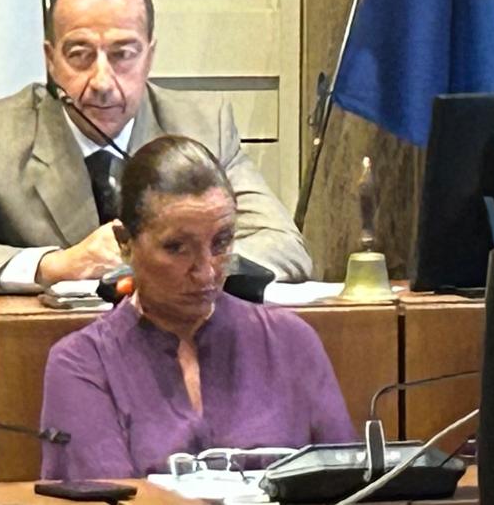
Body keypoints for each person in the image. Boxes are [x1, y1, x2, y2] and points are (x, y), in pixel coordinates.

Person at [0, 0, 311, 293]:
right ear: (50, 60)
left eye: (123, 54)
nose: (101, 81)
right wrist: (57, 265)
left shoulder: (203, 127)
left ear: (149, 56)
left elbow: (283, 244)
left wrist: (174, 265)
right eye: (80, 55)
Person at [39, 135, 353, 479]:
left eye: (221, 243)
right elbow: (107, 497)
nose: (206, 272)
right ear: (125, 244)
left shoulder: (290, 343)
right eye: (177, 248)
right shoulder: (83, 364)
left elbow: (350, 485)